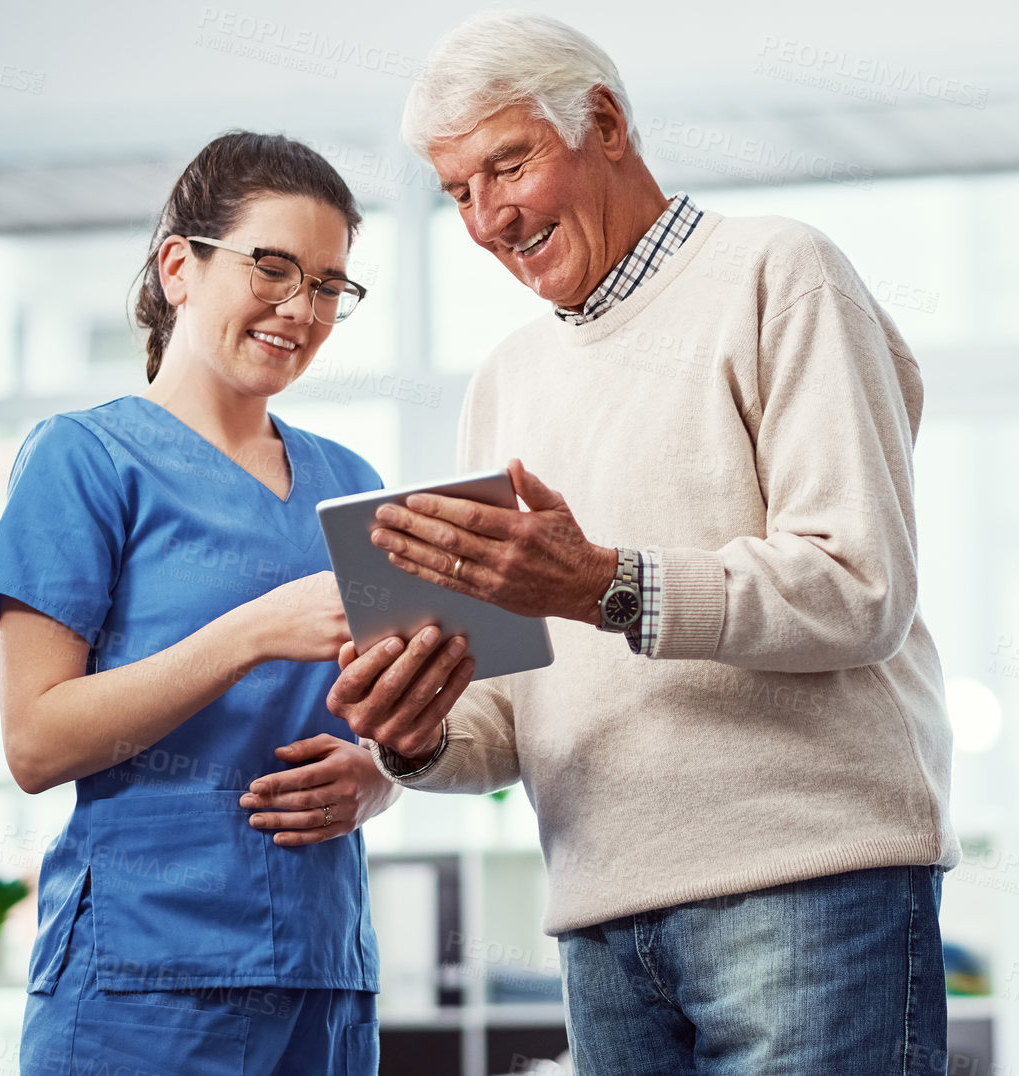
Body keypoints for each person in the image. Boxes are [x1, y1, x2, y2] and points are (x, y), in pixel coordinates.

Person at [328, 12, 959, 1074]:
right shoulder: (506, 380)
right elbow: (511, 712)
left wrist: (606, 582)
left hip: (807, 888)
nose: (488, 218)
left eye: (508, 165)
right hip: (601, 919)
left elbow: (859, 583)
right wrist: (419, 726)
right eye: (458, 191)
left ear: (606, 122)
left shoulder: (780, 274)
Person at [0, 131, 473, 1073]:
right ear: (179, 268)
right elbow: (36, 743)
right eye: (272, 268)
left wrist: (376, 779)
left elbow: (391, 713)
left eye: (329, 285)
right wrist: (252, 633)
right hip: (142, 982)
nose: (302, 308)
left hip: (325, 977)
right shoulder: (84, 461)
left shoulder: (351, 485)